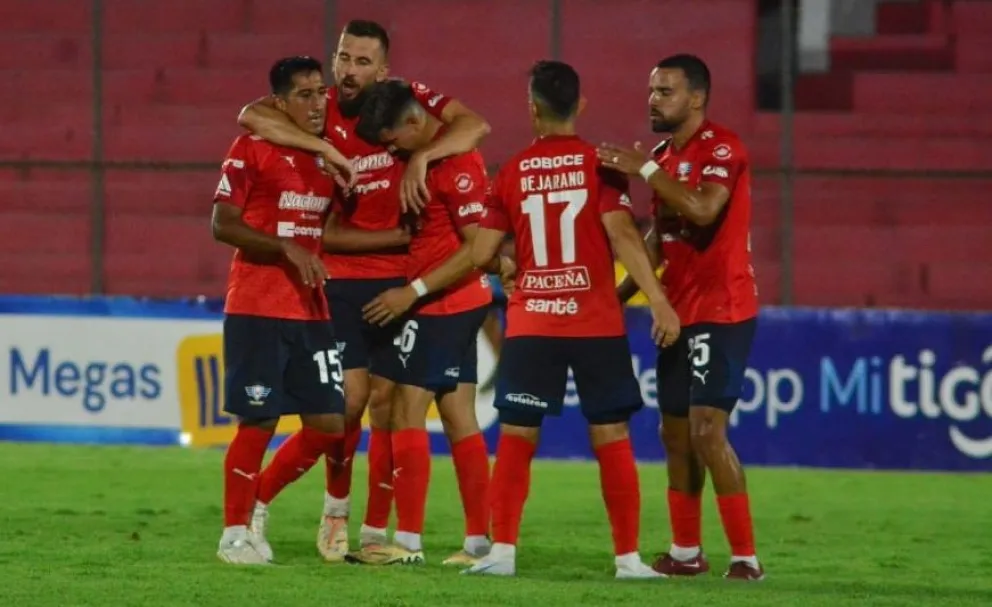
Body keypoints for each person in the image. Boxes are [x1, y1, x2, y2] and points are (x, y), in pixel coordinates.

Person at [237, 20, 492, 562]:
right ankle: (324, 508)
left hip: (403, 281)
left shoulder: (406, 103)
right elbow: (251, 115)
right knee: (346, 403)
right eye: (343, 58)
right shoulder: (317, 108)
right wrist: (321, 147)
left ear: (384, 70)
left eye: (360, 62)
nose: (348, 71)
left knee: (387, 406)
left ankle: (378, 532)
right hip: (344, 280)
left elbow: (476, 126)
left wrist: (422, 157)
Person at [465, 60, 680, 579]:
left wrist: (506, 264)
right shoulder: (600, 164)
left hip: (534, 321)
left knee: (518, 434)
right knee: (610, 436)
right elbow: (625, 237)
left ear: (532, 107)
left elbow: (479, 252)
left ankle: (503, 553)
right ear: (579, 106)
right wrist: (657, 300)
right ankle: (628, 559)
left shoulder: (511, 170)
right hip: (595, 322)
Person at [600, 53, 763, 581]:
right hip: (677, 311)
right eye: (651, 90)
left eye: (665, 91)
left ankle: (746, 559)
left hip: (723, 307)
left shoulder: (722, 148)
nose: (653, 99)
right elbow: (659, 236)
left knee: (707, 430)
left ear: (696, 98)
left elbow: (701, 209)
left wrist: (643, 168)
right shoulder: (666, 155)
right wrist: (621, 293)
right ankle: (686, 553)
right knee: (675, 434)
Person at [343, 79, 513, 566]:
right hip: (452, 300)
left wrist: (411, 292)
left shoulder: (454, 166)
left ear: (416, 122)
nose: (389, 149)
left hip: (443, 303)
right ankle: (479, 541)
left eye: (394, 139)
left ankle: (408, 543)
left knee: (403, 409)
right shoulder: (430, 157)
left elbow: (476, 248)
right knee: (459, 416)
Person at [211, 56, 344, 565]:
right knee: (259, 421)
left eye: (320, 93)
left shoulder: (324, 158)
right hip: (258, 304)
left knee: (329, 424)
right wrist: (287, 248)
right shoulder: (251, 148)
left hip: (310, 308)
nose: (317, 103)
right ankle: (232, 536)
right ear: (279, 102)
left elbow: (324, 229)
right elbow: (222, 224)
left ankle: (256, 503)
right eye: (304, 95)